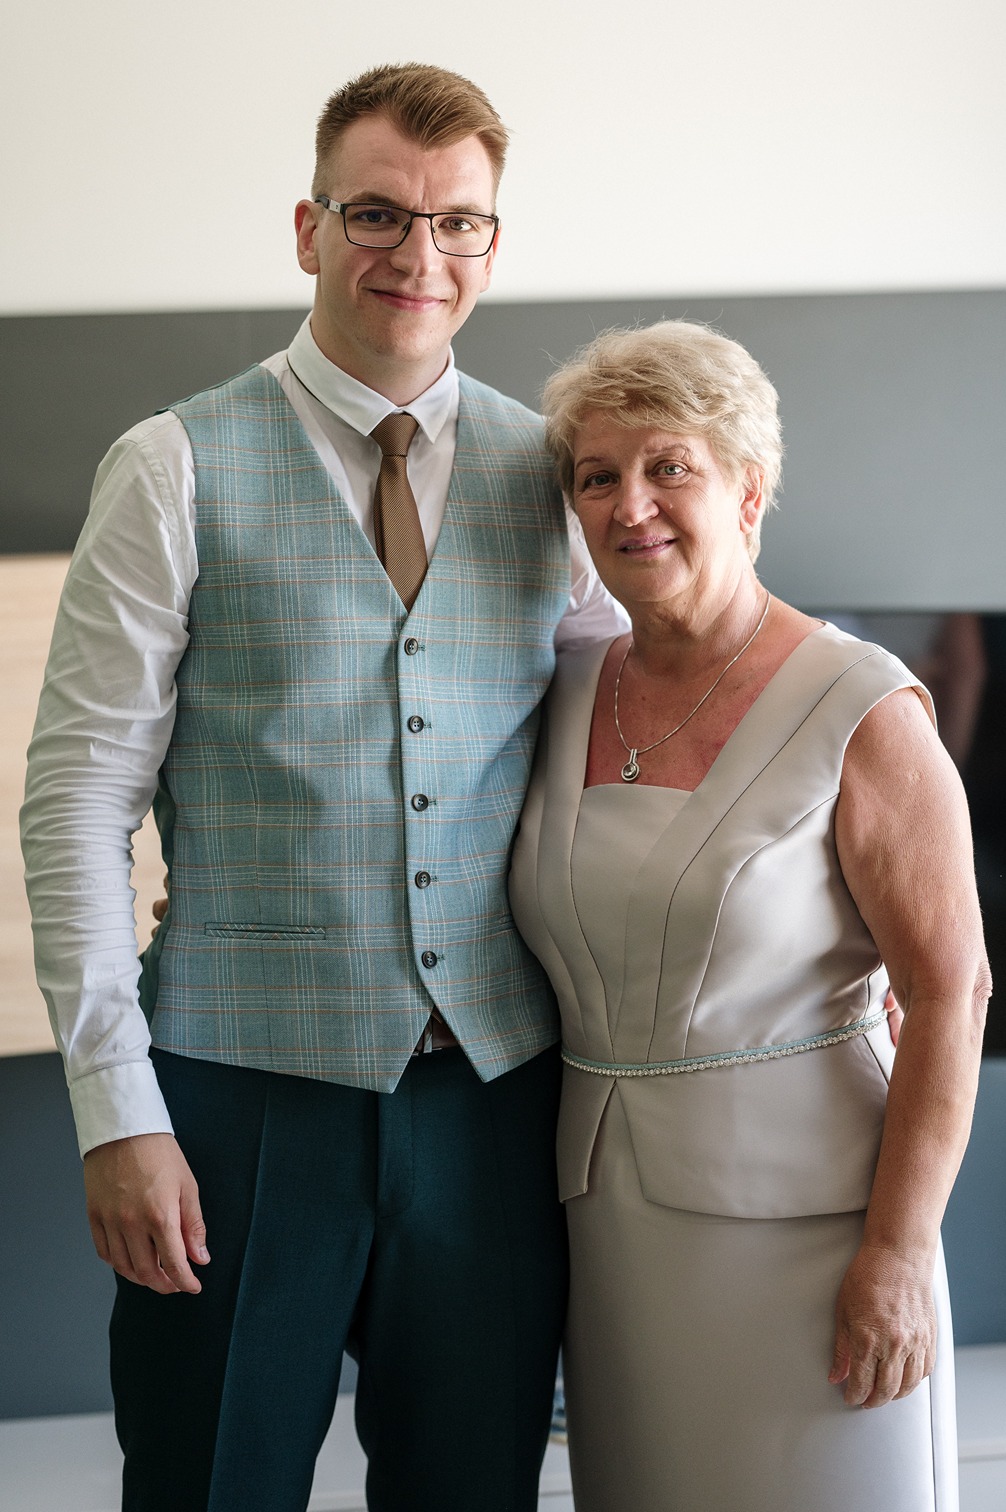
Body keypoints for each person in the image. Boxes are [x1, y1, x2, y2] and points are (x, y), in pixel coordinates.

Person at [20, 63, 625, 1512]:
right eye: (376, 214)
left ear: (492, 245)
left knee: (472, 1488)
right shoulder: (171, 467)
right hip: (234, 1100)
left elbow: (638, 736)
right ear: (308, 229)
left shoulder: (562, 479)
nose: (419, 254)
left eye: (458, 223)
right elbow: (77, 806)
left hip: (494, 1102)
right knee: (207, 1483)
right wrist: (118, 1112)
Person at [509, 320, 990, 1511]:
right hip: (609, 1226)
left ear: (748, 490)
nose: (631, 505)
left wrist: (897, 1253)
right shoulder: (563, 688)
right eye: (597, 476)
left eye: (669, 466)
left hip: (818, 1232)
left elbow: (949, 990)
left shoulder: (862, 704)